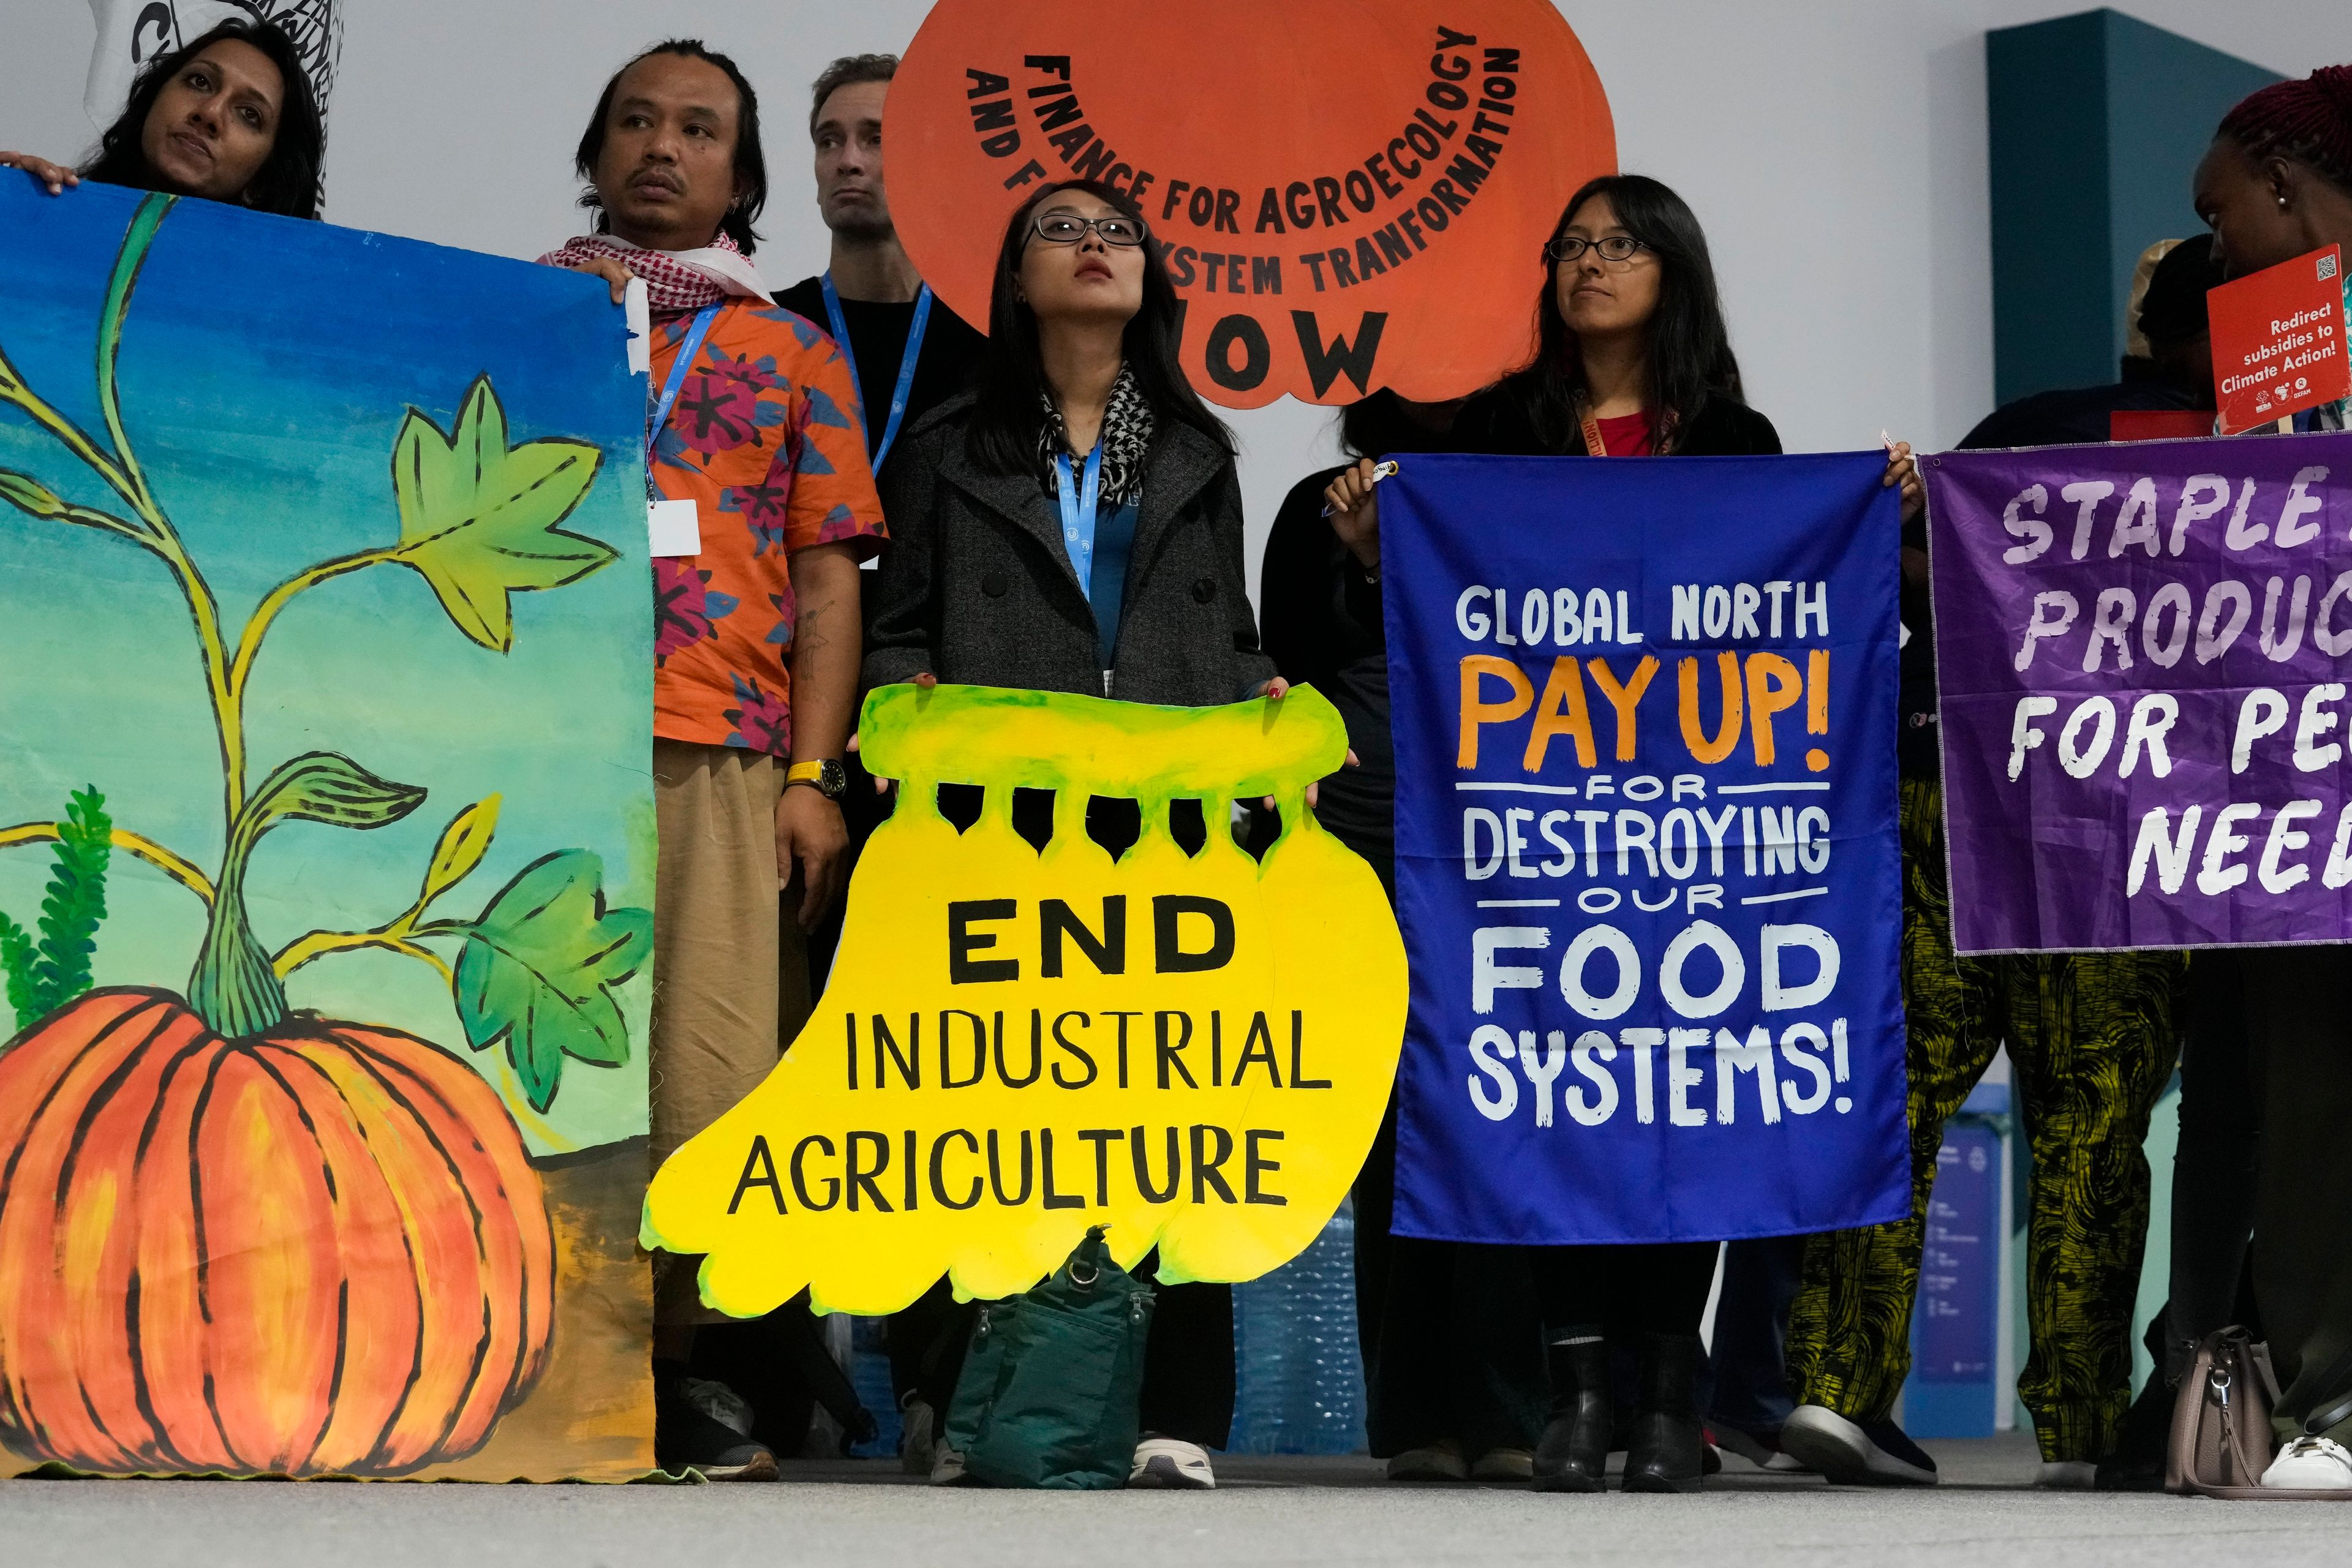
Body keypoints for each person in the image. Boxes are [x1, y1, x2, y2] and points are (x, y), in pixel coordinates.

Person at [1324, 173, 1923, 1494]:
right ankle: (1577, 1387)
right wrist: (1378, 552)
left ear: (1675, 270)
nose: (1591, 264)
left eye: (1622, 244)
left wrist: (1874, 513)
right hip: (1539, 837)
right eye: (1574, 246)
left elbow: (1790, 611)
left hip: (1699, 830)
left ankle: (1668, 1389)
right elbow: (1436, 631)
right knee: (1558, 1098)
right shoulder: (1498, 430)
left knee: (1686, 1096)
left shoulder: (1734, 434)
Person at [1773, 256, 2211, 1502]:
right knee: (2090, 1125)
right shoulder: (2274, 468)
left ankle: (1837, 1387)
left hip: (1952, 788)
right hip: (2122, 821)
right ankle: (2077, 1421)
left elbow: (1911, 576)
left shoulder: (2028, 429)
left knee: (1893, 1096)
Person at [864, 176, 1276, 1490]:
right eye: (1064, 230)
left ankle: (1173, 1406)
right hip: (1001, 817)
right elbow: (899, 622)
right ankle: (952, 1395)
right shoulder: (943, 442)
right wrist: (899, 691)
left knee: (1179, 1095)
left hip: (1164, 824)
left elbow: (1233, 633)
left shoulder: (1204, 451)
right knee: (978, 1094)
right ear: (1012, 273)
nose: (1098, 248)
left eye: (1120, 235)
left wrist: (1258, 703)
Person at [541, 37, 885, 1480]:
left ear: (743, 178)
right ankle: (540, 1366)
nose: (660, 148)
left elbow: (826, 585)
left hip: (721, 754)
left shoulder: (789, 349)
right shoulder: (513, 312)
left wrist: (813, 779)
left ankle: (665, 1371)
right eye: (635, 121)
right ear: (598, 151)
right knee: (541, 1066)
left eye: (697, 130)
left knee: (705, 1080)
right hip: (533, 743)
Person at [1257, 393, 1550, 1484]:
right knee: (1392, 1133)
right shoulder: (1310, 510)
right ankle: (1415, 1415)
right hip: (1370, 842)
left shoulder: (1530, 498)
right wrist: (1372, 561)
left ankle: (1516, 1408)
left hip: (1519, 843)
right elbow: (1291, 663)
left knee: (1508, 1117)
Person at [769, 62, 992, 1460]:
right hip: (777, 721)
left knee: (936, 1054)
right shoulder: (765, 329)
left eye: (880, 138)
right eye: (832, 140)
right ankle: (776, 1359)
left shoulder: (989, 342)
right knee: (777, 1054)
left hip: (942, 728)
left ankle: (935, 1371)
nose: (855, 162)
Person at [2173, 63, 2352, 1493]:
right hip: (2295, 797)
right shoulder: (2272, 349)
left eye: (2217, 209)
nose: (2204, 241)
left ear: (2287, 189)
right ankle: (2327, 1397)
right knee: (2305, 1096)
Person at [1, 17, 322, 217]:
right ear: (150, 103)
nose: (209, 113)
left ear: (264, 182)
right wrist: (18, 212)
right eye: (200, 82)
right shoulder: (49, 216)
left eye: (249, 114)